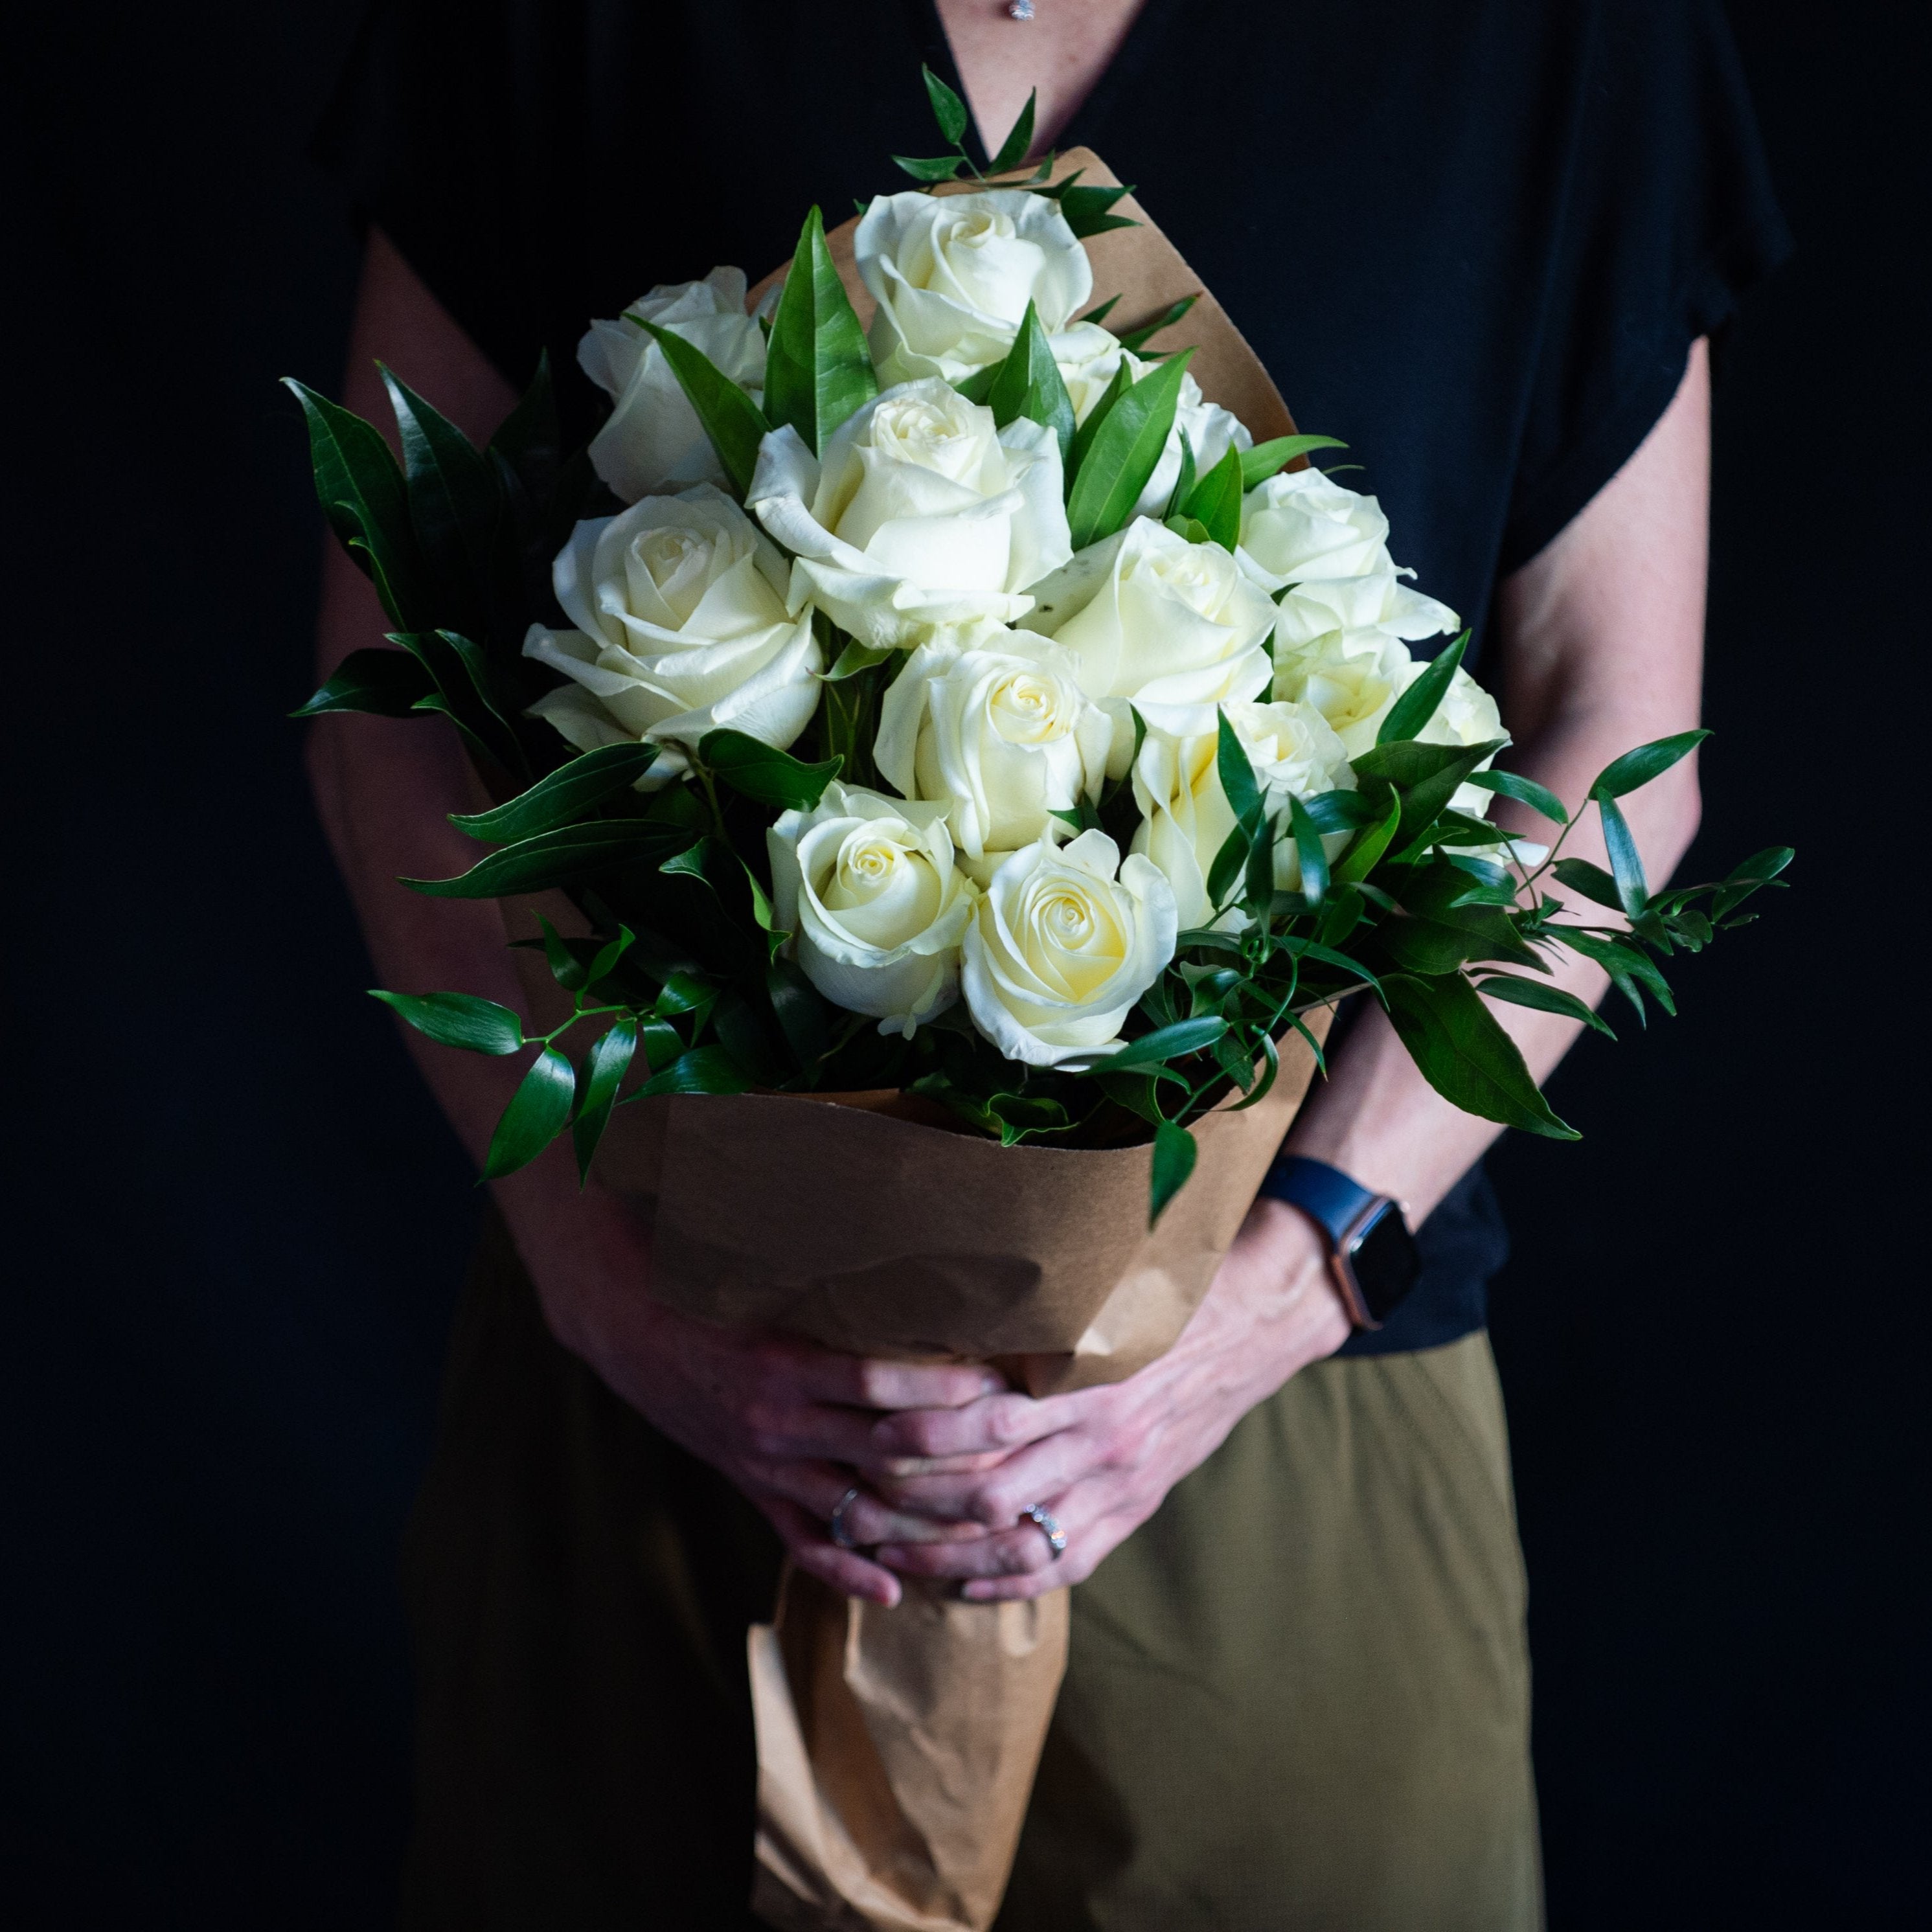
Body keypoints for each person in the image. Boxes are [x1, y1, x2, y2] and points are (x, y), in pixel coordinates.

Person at [308, 2, 1787, 1924]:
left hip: (1273, 1418)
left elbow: (1609, 732)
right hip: (675, 1406)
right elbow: (384, 697)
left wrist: (1270, 1296)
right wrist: (608, 1291)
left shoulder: (1567, 48)